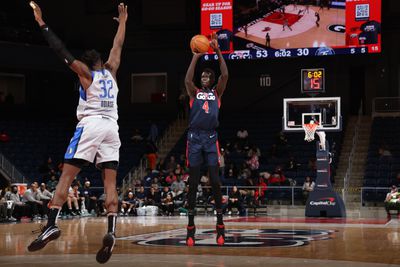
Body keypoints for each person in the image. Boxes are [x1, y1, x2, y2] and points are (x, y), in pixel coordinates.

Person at [27, 2, 128, 264]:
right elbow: (117, 47)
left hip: (92, 125)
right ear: (101, 61)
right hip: (112, 128)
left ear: (86, 63)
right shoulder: (112, 71)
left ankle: (51, 224)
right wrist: (124, 21)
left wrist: (41, 22)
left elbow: (59, 49)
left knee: (67, 176)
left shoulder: (87, 74)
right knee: (110, 184)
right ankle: (111, 231)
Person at [184, 32, 228, 246]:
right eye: (202, 76)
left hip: (211, 139)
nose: (204, 78)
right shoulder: (194, 93)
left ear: (211, 80)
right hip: (194, 138)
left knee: (216, 182)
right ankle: (190, 228)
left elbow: (225, 76)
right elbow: (187, 79)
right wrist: (196, 55)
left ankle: (220, 225)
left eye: (207, 76)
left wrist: (218, 50)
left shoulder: (216, 94)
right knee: (193, 184)